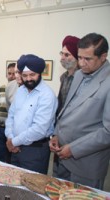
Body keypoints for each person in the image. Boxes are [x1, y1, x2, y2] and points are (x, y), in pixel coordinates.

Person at [50, 33, 110, 190]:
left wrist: (73, 149)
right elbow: (67, 109)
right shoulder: (78, 75)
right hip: (61, 156)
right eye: (80, 57)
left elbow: (108, 132)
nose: (82, 63)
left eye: (87, 59)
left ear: (103, 56)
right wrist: (56, 134)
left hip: (86, 164)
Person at [5, 54, 57, 174]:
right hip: (15, 148)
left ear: (40, 73)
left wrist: (13, 142)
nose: (28, 79)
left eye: (32, 75)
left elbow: (39, 129)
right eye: (24, 75)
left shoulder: (47, 95)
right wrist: (10, 137)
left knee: (32, 187)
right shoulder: (20, 91)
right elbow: (11, 116)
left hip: (35, 151)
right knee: (15, 182)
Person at [0, 62, 15, 162]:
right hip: (1, 129)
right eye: (10, 73)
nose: (12, 76)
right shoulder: (2, 88)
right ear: (6, 75)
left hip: (14, 131)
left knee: (12, 159)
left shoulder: (23, 90)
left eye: (14, 73)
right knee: (0, 158)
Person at [56, 35, 80, 116]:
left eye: (67, 55)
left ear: (77, 57)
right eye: (61, 53)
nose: (62, 58)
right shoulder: (63, 77)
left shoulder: (83, 78)